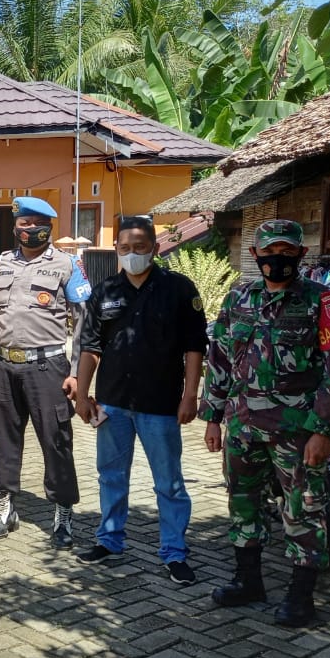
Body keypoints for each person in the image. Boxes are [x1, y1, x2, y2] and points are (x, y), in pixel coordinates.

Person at [201, 219, 330, 627]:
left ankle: (300, 596)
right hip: (242, 425)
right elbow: (218, 360)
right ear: (255, 256)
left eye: (287, 252)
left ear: (301, 255)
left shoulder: (325, 302)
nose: (277, 260)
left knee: (304, 510)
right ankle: (248, 579)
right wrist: (213, 418)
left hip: (297, 431)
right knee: (243, 504)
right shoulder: (238, 297)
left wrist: (324, 430)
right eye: (269, 253)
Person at [73, 216, 208, 584]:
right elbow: (90, 346)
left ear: (156, 247)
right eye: (125, 248)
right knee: (110, 476)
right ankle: (109, 539)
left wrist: (190, 396)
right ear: (116, 248)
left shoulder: (179, 290)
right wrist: (82, 395)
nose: (133, 254)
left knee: (169, 483)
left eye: (140, 247)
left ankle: (174, 552)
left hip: (161, 405)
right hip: (112, 403)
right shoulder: (105, 291)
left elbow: (195, 347)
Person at [0, 196, 91, 548]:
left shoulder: (67, 265)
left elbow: (84, 321)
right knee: (5, 440)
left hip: (49, 367)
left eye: (34, 223)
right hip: (5, 365)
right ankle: (5, 504)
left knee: (56, 440)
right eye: (22, 224)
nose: (28, 230)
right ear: (15, 228)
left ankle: (63, 512)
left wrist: (76, 373)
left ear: (48, 226)